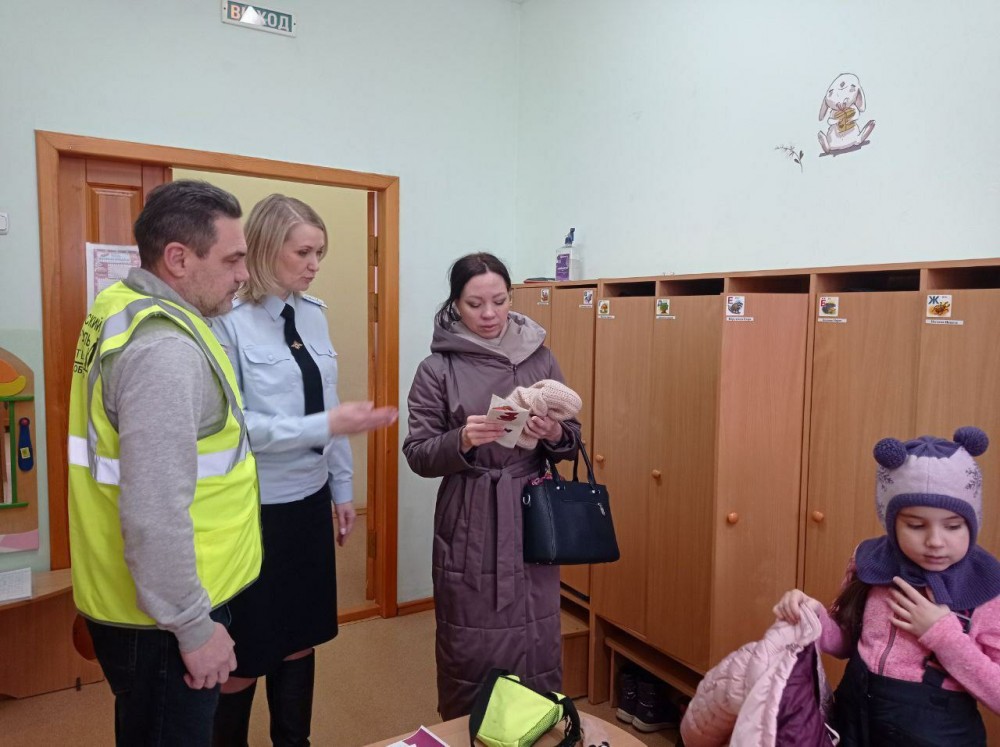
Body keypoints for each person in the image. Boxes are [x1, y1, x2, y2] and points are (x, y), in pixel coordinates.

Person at [67, 180, 261, 745]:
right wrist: (194, 627)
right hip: (164, 620)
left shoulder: (122, 305)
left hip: (146, 601)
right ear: (178, 258)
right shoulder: (164, 350)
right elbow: (154, 509)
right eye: (232, 259)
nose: (243, 274)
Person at [211, 194, 397, 746]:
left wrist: (343, 489)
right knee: (247, 650)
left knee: (299, 637)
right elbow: (237, 428)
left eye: (320, 253)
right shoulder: (228, 322)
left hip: (309, 500)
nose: (315, 264)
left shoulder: (313, 314)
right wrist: (326, 424)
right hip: (255, 508)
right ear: (267, 248)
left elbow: (328, 403)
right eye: (303, 252)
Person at [402, 252, 582, 719]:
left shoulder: (540, 356)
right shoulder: (437, 368)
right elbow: (418, 453)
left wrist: (554, 433)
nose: (488, 314)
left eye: (499, 301)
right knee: (471, 636)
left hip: (532, 510)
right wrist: (461, 440)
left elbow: (571, 440)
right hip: (471, 512)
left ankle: (538, 724)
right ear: (455, 304)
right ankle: (473, 727)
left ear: (511, 298)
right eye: (474, 303)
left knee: (537, 632)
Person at [774, 427, 1000, 746]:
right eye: (916, 525)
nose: (935, 541)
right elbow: (844, 643)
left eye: (953, 526)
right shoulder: (870, 562)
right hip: (855, 724)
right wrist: (812, 616)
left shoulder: (987, 587)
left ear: (972, 522)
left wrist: (943, 635)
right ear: (891, 522)